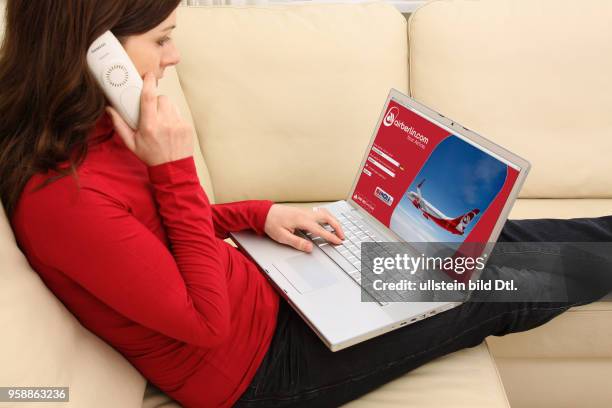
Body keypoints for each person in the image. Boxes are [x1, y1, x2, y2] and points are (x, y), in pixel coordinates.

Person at [0, 1, 610, 407]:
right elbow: (206, 324)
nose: (174, 56)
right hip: (264, 369)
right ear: (95, 51)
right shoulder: (58, 200)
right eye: (162, 39)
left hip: (275, 291)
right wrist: (173, 165)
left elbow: (151, 235)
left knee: (480, 245)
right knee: (503, 284)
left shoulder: (98, 130)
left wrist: (255, 214)